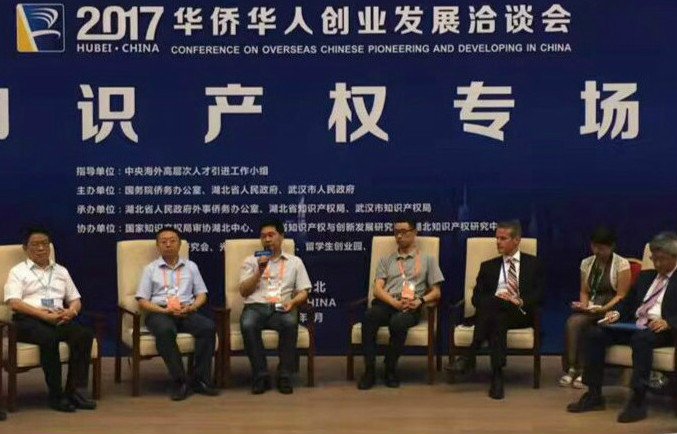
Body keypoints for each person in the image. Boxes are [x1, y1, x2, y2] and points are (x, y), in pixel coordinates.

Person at [567, 231, 677, 423]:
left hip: (662, 331)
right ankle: (593, 395)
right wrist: (615, 314)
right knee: (594, 334)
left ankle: (637, 401)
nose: (657, 264)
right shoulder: (646, 277)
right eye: (654, 259)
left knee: (641, 340)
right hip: (634, 326)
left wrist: (669, 322)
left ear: (674, 257)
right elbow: (628, 303)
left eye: (662, 259)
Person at [449, 220, 544, 399]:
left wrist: (519, 300)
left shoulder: (533, 264)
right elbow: (476, 298)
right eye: (497, 238)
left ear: (517, 240)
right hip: (495, 316)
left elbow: (539, 295)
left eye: (503, 238)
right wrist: (498, 300)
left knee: (495, 310)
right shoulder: (488, 266)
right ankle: (497, 375)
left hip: (520, 314)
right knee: (498, 317)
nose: (498, 242)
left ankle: (470, 356)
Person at [4, 228, 96, 412]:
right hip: (28, 320)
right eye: (35, 244)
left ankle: (75, 391)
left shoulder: (61, 271)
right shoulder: (18, 272)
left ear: (50, 246)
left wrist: (71, 312)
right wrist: (44, 315)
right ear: (25, 248)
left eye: (44, 244)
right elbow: (14, 303)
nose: (40, 248)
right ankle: (56, 395)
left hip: (58, 317)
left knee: (84, 335)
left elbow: (76, 299)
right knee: (49, 337)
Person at [357, 216, 444, 389]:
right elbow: (377, 289)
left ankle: (390, 368)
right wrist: (394, 303)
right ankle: (369, 370)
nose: (399, 236)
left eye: (404, 232)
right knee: (369, 317)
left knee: (398, 323)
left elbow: (436, 292)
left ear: (415, 233)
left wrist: (420, 301)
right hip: (388, 302)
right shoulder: (386, 260)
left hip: (411, 306)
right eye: (396, 232)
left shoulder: (428, 259)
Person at [136, 227, 219, 400]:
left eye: (172, 241)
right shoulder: (150, 269)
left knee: (208, 327)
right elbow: (142, 300)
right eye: (163, 241)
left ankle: (201, 379)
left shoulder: (191, 267)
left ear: (180, 244)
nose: (168, 244)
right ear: (158, 246)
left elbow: (202, 294)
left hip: (186, 311)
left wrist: (192, 307)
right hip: (160, 312)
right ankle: (180, 381)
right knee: (165, 330)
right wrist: (164, 310)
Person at [239, 218, 312, 394]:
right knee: (247, 324)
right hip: (256, 306)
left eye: (271, 235)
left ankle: (284, 375)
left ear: (281, 237)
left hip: (281, 305)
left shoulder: (295, 262)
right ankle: (261, 375)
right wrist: (259, 271)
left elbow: (304, 291)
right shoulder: (251, 261)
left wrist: (292, 302)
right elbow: (244, 291)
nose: (267, 239)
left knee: (290, 323)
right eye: (263, 236)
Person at [560, 226, 631, 388]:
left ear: (612, 247)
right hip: (593, 306)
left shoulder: (622, 264)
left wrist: (604, 309)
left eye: (602, 248)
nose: (597, 251)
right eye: (594, 247)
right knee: (574, 322)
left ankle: (585, 371)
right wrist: (584, 306)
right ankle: (572, 368)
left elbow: (622, 295)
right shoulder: (586, 263)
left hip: (612, 308)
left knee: (591, 329)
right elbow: (584, 291)